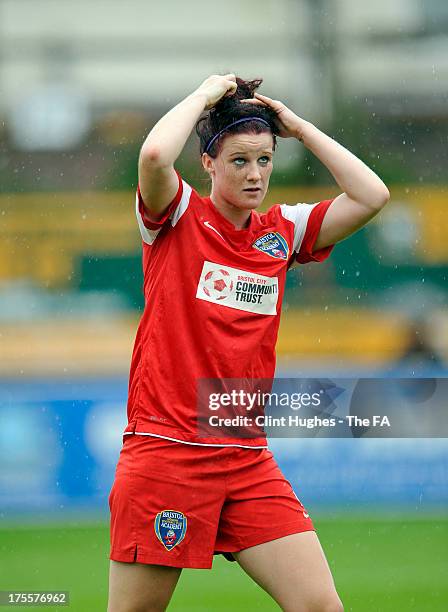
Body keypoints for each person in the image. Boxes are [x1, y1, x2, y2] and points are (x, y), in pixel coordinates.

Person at [107, 73, 390, 612]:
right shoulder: (178, 217)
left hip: (245, 456)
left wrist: (301, 128)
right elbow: (152, 157)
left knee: (321, 606)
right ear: (208, 162)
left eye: (265, 159)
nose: (255, 174)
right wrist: (202, 95)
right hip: (169, 451)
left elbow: (371, 195)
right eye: (239, 160)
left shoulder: (281, 232)